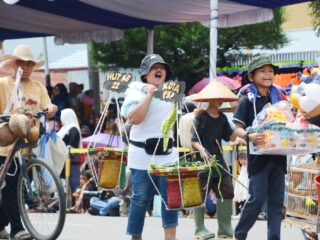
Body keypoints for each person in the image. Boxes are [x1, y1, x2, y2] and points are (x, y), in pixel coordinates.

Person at [0, 45, 57, 240]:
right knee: (11, 188)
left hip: (27, 146)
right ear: (14, 64)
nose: (25, 66)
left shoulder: (39, 87)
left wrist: (51, 108)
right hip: (5, 147)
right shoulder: (3, 84)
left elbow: (48, 104)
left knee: (16, 189)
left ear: (33, 66)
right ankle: (17, 229)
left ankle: (1, 225)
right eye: (21, 62)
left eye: (29, 63)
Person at [121, 54, 178, 240]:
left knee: (170, 199)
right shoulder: (135, 92)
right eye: (154, 68)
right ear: (145, 73)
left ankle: (170, 237)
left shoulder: (171, 93)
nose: (159, 70)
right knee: (140, 199)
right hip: (141, 156)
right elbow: (135, 118)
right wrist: (149, 94)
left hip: (167, 155)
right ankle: (135, 237)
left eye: (162, 67)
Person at [233, 56, 288, 240]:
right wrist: (249, 136)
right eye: (263, 71)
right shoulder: (247, 100)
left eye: (270, 71)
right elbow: (237, 128)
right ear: (252, 76)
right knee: (257, 198)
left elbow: (289, 121)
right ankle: (239, 234)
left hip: (279, 156)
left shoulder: (280, 97)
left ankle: (274, 237)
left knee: (276, 202)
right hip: (258, 159)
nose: (268, 74)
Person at [190, 80, 241, 240]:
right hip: (203, 161)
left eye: (221, 98)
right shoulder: (200, 117)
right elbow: (194, 140)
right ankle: (200, 229)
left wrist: (244, 138)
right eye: (217, 98)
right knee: (200, 194)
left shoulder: (223, 118)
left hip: (218, 161)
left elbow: (231, 136)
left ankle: (225, 230)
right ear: (210, 99)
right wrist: (202, 150)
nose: (220, 101)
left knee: (227, 191)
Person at [57, 108, 82, 193]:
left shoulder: (73, 129)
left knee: (73, 183)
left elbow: (72, 144)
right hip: (63, 160)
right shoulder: (64, 129)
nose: (61, 119)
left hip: (71, 161)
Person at [233, 150, 249, 219]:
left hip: (246, 182)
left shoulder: (249, 166)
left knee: (246, 197)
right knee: (241, 198)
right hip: (241, 183)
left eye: (245, 159)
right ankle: (241, 213)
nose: (243, 161)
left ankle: (244, 214)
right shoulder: (242, 167)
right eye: (241, 159)